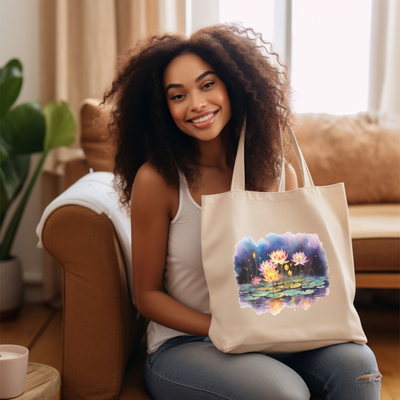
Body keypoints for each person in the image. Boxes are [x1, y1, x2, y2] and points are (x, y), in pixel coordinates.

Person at [103, 24, 381, 400]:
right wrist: (225, 325)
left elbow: (290, 275)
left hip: (280, 333)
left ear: (234, 85)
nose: (197, 104)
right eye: (177, 95)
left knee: (358, 366)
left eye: (207, 85)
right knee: (283, 393)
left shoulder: (278, 170)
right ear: (161, 108)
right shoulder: (158, 180)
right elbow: (148, 295)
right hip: (190, 344)